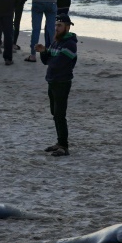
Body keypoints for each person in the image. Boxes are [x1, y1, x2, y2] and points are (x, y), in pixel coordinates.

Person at [36, 13, 77, 157]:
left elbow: (57, 64)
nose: (56, 28)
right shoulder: (56, 41)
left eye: (59, 25)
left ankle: (64, 146)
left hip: (62, 82)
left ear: (67, 27)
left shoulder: (70, 44)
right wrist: (43, 51)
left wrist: (49, 55)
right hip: (52, 81)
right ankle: (59, 142)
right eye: (55, 25)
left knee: (60, 114)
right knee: (55, 113)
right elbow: (47, 61)